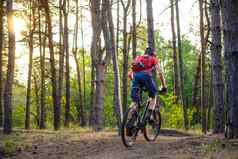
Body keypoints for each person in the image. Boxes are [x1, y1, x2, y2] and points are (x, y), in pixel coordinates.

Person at [127, 47, 167, 134]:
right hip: (146, 77)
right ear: (153, 53)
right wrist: (164, 86)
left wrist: (136, 83)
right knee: (154, 95)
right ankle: (148, 117)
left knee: (135, 102)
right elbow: (160, 72)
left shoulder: (138, 58)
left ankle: (128, 123)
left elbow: (130, 74)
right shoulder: (153, 59)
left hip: (135, 79)